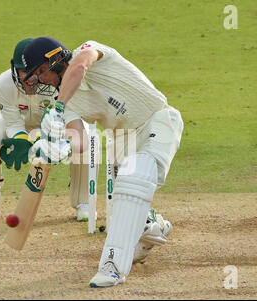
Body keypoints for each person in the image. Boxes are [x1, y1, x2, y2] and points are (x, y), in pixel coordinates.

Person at [21, 37, 183, 287]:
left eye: (42, 71)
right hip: (122, 141)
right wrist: (58, 148)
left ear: (56, 58)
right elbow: (81, 142)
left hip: (157, 120)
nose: (42, 80)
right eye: (36, 76)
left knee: (135, 178)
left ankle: (112, 267)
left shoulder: (88, 51)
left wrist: (59, 108)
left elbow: (79, 67)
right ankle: (153, 226)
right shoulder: (65, 103)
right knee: (127, 211)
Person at [0, 38, 92, 222]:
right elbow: (12, 122)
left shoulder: (55, 80)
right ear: (15, 70)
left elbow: (69, 115)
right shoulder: (3, 84)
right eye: (24, 72)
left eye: (34, 71)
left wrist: (49, 140)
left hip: (56, 122)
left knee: (83, 139)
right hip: (19, 122)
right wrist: (21, 140)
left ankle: (83, 203)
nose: (30, 78)